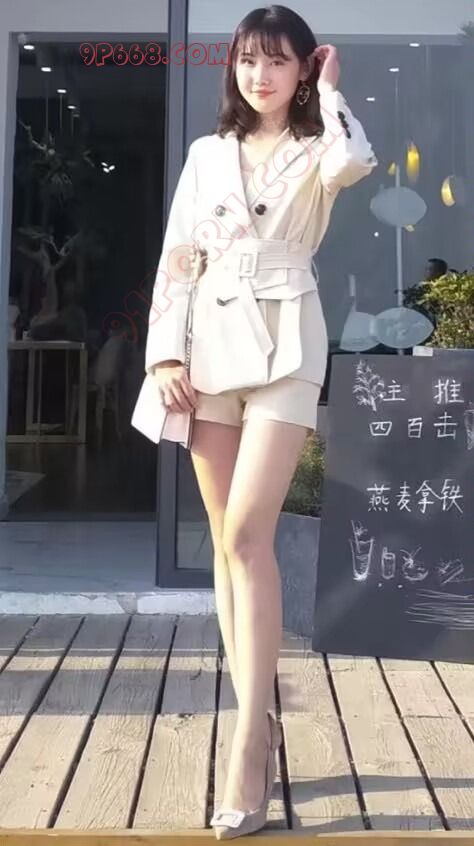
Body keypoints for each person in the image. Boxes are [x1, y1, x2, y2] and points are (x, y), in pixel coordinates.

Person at [135, 5, 376, 839]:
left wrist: (332, 92)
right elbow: (177, 255)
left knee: (246, 535)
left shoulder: (319, 146)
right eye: (247, 59)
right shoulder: (208, 155)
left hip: (286, 344)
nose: (260, 75)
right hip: (207, 348)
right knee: (225, 544)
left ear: (303, 68)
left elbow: (355, 162)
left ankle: (245, 739)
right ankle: (261, 714)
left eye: (278, 61)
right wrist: (163, 356)